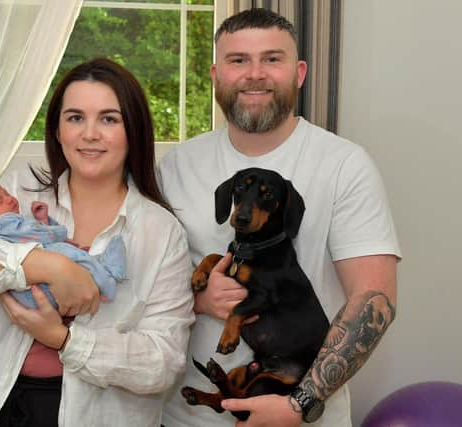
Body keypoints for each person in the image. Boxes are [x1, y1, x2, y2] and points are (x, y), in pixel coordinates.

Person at [159, 8, 400, 427]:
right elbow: (145, 285)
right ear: (216, 74)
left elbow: (374, 298)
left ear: (299, 72)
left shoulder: (344, 164)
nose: (255, 74)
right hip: (186, 418)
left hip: (303, 415)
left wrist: (299, 404)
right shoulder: (176, 165)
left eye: (272, 59)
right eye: (238, 60)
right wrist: (197, 298)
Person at [0, 58, 195, 427]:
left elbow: (162, 362)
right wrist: (51, 267)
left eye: (109, 119)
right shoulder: (16, 193)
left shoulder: (160, 231)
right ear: (57, 130)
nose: (90, 133)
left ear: (133, 130)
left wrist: (63, 340)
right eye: (75, 118)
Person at [0, 178, 127, 308]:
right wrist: (58, 231)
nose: (9, 199)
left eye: (5, 193)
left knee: (71, 254)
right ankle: (106, 282)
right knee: (71, 253)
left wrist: (43, 220)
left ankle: (99, 270)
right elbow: (42, 237)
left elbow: (31, 237)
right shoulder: (3, 224)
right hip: (42, 287)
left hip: (31, 296)